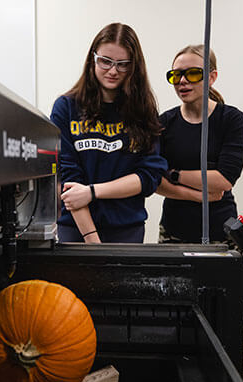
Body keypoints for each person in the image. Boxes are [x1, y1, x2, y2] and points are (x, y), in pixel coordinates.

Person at [50, 23, 167, 243]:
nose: (113, 71)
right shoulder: (66, 107)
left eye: (122, 64)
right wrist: (93, 240)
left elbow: (148, 177)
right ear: (92, 59)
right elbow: (68, 181)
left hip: (126, 229)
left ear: (134, 67)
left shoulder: (144, 112)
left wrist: (93, 192)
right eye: (105, 61)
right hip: (76, 227)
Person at [156, 45, 243, 244]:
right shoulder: (163, 123)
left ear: (212, 77)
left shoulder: (231, 119)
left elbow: (223, 180)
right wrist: (199, 196)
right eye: (176, 75)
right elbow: (155, 181)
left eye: (193, 74)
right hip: (174, 231)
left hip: (221, 231)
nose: (183, 81)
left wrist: (174, 175)